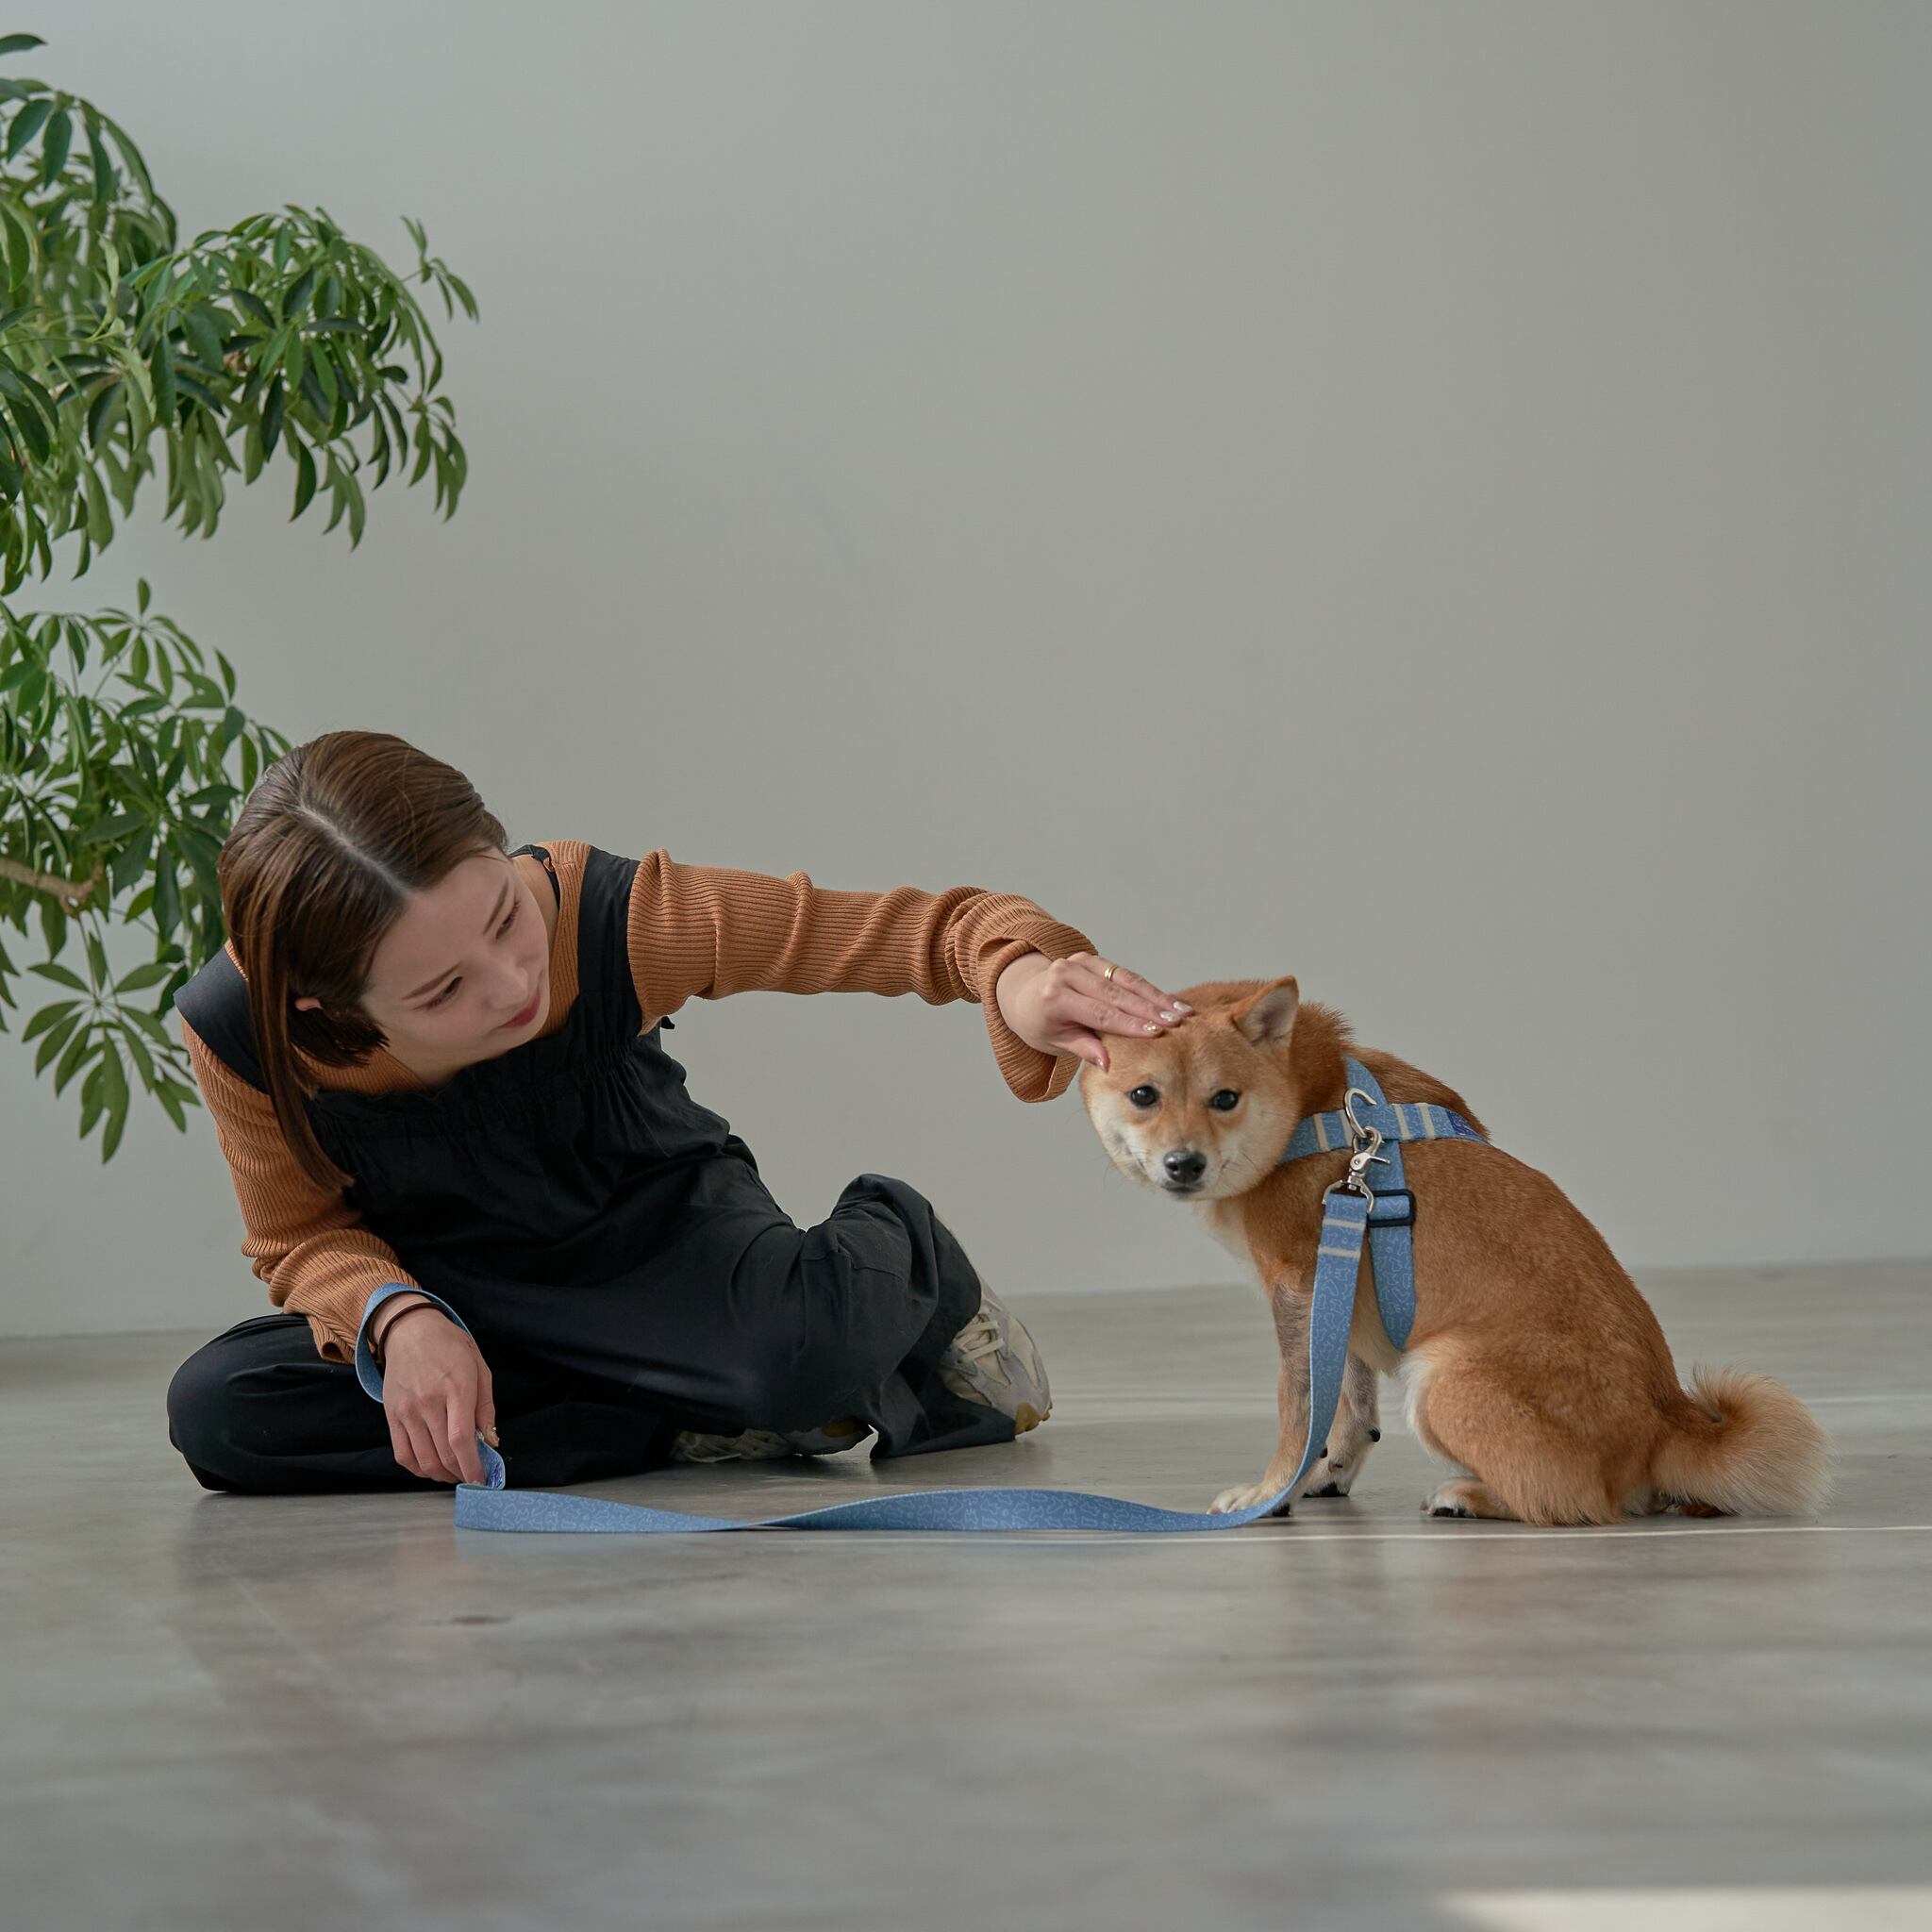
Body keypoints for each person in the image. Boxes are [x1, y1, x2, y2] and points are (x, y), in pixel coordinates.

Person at [164, 730, 1192, 1494]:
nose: (512, 981)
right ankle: (692, 1412)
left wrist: (1013, 979)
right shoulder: (242, 1031)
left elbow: (926, 931)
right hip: (473, 1307)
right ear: (322, 1003)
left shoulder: (611, 916)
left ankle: (905, 1251)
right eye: (441, 992)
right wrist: (400, 1317)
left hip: (668, 1245)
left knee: (799, 1354)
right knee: (224, 1413)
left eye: (505, 916)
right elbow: (299, 1232)